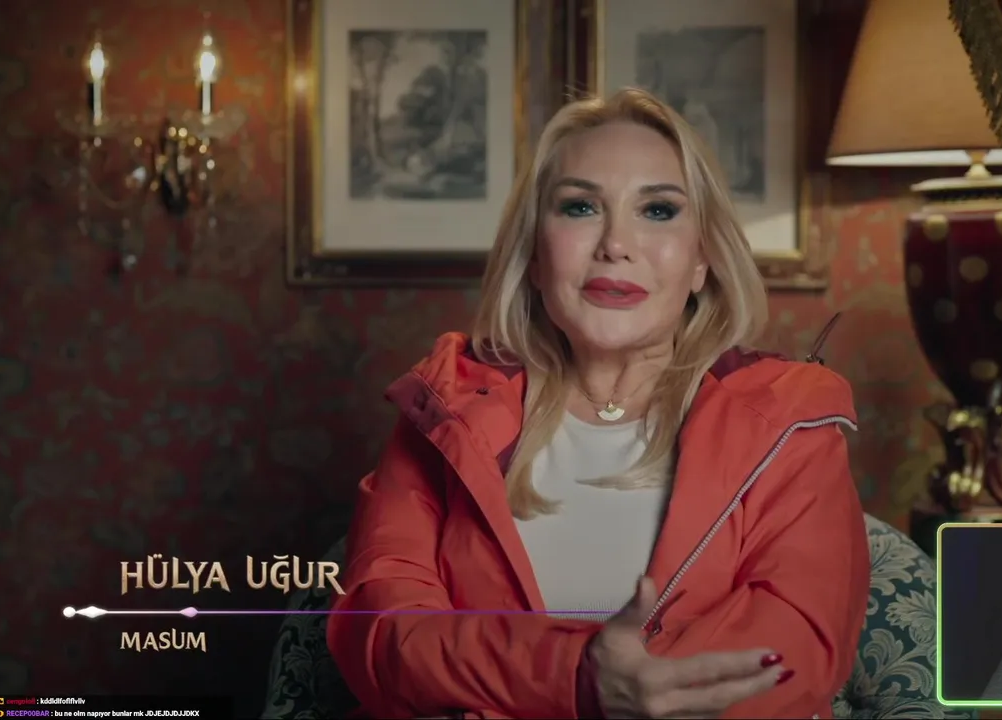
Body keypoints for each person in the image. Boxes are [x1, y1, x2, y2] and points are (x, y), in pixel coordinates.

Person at [326, 87, 871, 719]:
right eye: (581, 206)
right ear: (535, 255)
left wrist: (617, 693)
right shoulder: (442, 410)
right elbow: (381, 633)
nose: (616, 243)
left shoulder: (790, 422)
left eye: (659, 210)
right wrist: (578, 680)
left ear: (702, 260)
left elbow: (796, 647)